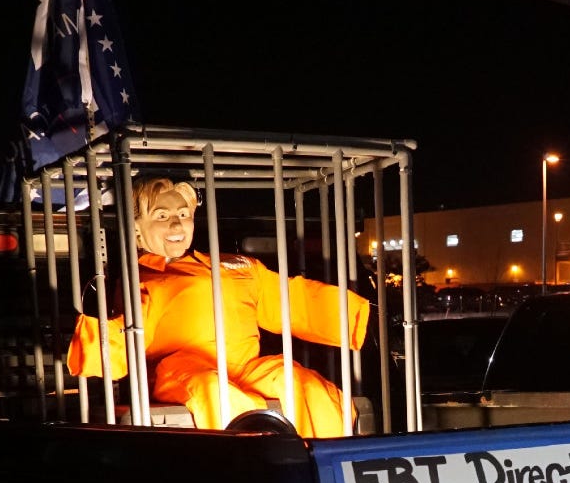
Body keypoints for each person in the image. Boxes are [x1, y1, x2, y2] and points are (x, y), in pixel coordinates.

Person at [66, 176, 371, 436]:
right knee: (215, 392)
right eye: (161, 216)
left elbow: (289, 297)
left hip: (245, 366)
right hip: (182, 368)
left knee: (304, 384)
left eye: (183, 213)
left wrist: (354, 315)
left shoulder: (237, 265)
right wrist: (94, 341)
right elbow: (125, 333)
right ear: (136, 228)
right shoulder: (144, 278)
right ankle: (246, 474)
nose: (176, 223)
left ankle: (328, 467)